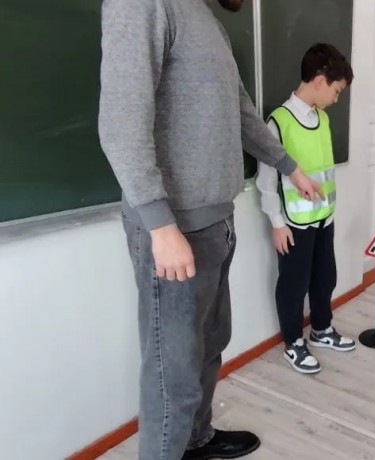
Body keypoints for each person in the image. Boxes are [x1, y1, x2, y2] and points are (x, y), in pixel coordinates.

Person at [98, 0, 324, 458]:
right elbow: (121, 123)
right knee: (172, 378)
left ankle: (196, 440)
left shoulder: (209, 22)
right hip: (174, 231)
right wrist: (161, 225)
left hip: (216, 223)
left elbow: (241, 114)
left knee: (210, 346)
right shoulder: (143, 4)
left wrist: (289, 166)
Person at [256, 43, 356, 374]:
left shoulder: (322, 119)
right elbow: (266, 180)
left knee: (325, 278)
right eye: (337, 91)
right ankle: (293, 343)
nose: (336, 99)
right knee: (293, 286)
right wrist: (276, 222)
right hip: (294, 224)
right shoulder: (279, 122)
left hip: (323, 218)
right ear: (320, 80)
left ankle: (322, 329)